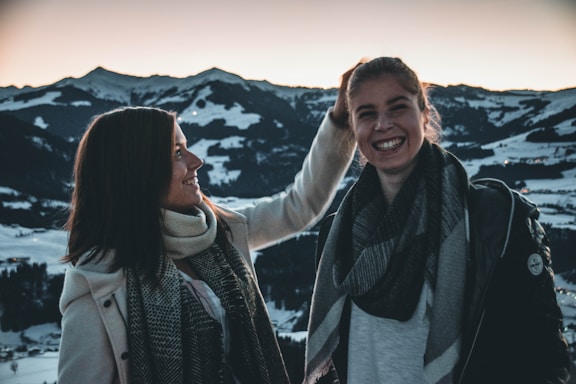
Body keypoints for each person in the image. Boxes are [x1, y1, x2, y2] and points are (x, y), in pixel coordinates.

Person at [304, 57, 572, 384]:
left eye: (397, 107)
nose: (382, 124)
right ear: (355, 127)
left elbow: (543, 361)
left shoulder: (494, 221)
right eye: (367, 113)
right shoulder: (339, 233)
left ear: (424, 113)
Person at [57, 104, 356, 384]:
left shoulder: (218, 232)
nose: (196, 161)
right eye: (176, 153)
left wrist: (341, 122)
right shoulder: (97, 286)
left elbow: (299, 206)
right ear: (136, 171)